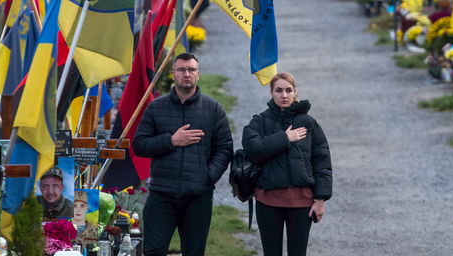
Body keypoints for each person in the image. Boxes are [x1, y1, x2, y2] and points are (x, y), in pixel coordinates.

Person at [133, 53, 233, 256]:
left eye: (191, 70)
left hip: (198, 196)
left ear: (198, 75)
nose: (186, 74)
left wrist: (208, 177)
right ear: (172, 74)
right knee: (153, 250)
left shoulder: (213, 109)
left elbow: (224, 148)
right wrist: (171, 140)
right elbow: (139, 145)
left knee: (195, 252)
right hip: (162, 193)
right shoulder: (156, 107)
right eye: (181, 69)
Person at [243, 72, 332, 256]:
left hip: (301, 202)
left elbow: (322, 161)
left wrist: (320, 199)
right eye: (279, 90)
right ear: (271, 93)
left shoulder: (309, 123)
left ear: (295, 92)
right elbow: (252, 151)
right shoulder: (259, 122)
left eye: (288, 90)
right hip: (268, 201)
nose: (284, 95)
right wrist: (285, 138)